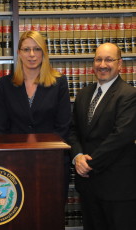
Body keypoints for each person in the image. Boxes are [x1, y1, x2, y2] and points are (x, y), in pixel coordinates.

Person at [0, 30, 71, 199]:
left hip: (51, 162)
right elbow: (0, 128)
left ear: (44, 53)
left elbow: (63, 126)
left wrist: (41, 154)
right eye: (26, 50)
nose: (32, 55)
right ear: (19, 53)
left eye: (37, 49)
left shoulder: (59, 83)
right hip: (15, 163)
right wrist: (17, 156)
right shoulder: (5, 84)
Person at [69, 43, 136, 230]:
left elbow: (120, 136)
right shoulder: (83, 94)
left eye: (109, 59)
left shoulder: (129, 95)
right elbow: (73, 131)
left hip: (117, 188)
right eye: (98, 59)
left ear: (120, 64)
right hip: (89, 187)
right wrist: (77, 157)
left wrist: (89, 163)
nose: (102, 64)